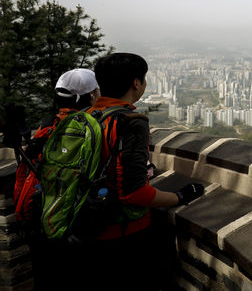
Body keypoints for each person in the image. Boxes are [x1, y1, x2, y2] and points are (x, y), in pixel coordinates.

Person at [79, 52, 203, 290]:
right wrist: (181, 196)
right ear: (136, 83)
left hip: (85, 226)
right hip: (122, 234)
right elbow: (133, 192)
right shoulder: (131, 122)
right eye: (144, 79)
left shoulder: (86, 116)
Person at [12, 68, 101, 290]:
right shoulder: (90, 125)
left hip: (38, 217)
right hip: (73, 225)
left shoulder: (47, 124)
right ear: (91, 95)